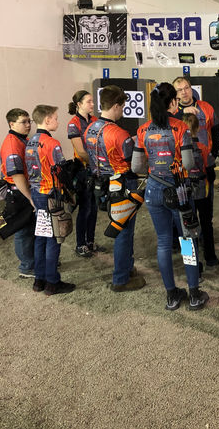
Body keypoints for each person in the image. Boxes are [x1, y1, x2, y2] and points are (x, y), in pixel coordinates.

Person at [132, 82, 209, 311]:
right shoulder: (180, 128)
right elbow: (188, 163)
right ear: (173, 102)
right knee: (187, 241)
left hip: (153, 190)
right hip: (179, 191)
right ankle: (194, 293)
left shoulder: (143, 130)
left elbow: (136, 166)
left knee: (164, 242)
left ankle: (171, 295)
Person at [84, 86, 145, 292]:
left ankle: (127, 268)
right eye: (123, 106)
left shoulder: (90, 129)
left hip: (102, 185)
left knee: (119, 227)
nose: (123, 110)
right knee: (124, 231)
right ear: (116, 106)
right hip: (122, 185)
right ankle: (120, 279)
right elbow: (132, 163)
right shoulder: (119, 133)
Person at [25, 104, 75, 296]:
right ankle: (53, 282)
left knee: (41, 236)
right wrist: (71, 189)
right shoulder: (52, 143)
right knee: (55, 237)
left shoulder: (30, 142)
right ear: (47, 120)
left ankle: (39, 280)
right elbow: (60, 170)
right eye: (55, 118)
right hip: (51, 195)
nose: (57, 121)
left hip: (37, 193)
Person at [172, 77, 219, 258]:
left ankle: (198, 257)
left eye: (186, 88)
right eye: (179, 90)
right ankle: (195, 257)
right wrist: (181, 112)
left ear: (191, 89)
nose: (184, 92)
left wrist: (212, 155)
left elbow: (216, 131)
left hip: (203, 173)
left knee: (201, 218)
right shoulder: (173, 112)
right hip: (182, 177)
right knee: (186, 219)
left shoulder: (206, 107)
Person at [0, 108, 35, 278]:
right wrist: (30, 197)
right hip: (19, 192)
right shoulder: (12, 145)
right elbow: (16, 175)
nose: (28, 125)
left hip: (24, 189)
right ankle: (27, 267)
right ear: (12, 124)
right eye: (23, 122)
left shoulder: (22, 139)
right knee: (23, 229)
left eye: (29, 121)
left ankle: (34, 260)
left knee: (31, 228)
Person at [182, 112, 219, 269]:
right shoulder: (203, 148)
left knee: (186, 228)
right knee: (206, 224)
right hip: (203, 192)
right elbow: (211, 173)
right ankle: (211, 257)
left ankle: (190, 262)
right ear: (198, 129)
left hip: (184, 193)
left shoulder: (178, 149)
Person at [67, 90, 102, 258]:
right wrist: (98, 163)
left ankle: (90, 241)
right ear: (79, 104)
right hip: (83, 170)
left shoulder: (95, 120)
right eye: (89, 101)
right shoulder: (73, 124)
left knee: (94, 208)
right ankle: (80, 244)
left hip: (94, 169)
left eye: (92, 101)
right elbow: (80, 151)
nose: (92, 104)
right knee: (85, 208)